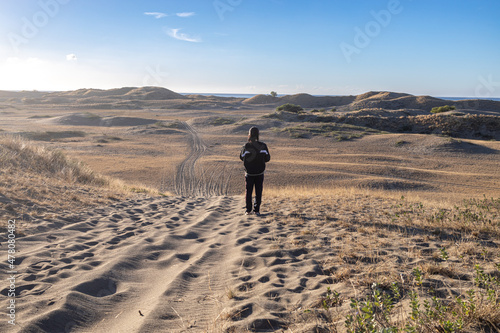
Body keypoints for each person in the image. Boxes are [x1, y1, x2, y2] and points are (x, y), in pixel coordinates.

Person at [240, 126, 270, 216]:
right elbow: (267, 158)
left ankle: (248, 210)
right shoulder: (263, 146)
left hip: (249, 173)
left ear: (249, 135)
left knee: (248, 191)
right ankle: (256, 210)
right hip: (260, 172)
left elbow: (241, 157)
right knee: (258, 191)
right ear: (258, 135)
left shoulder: (246, 146)